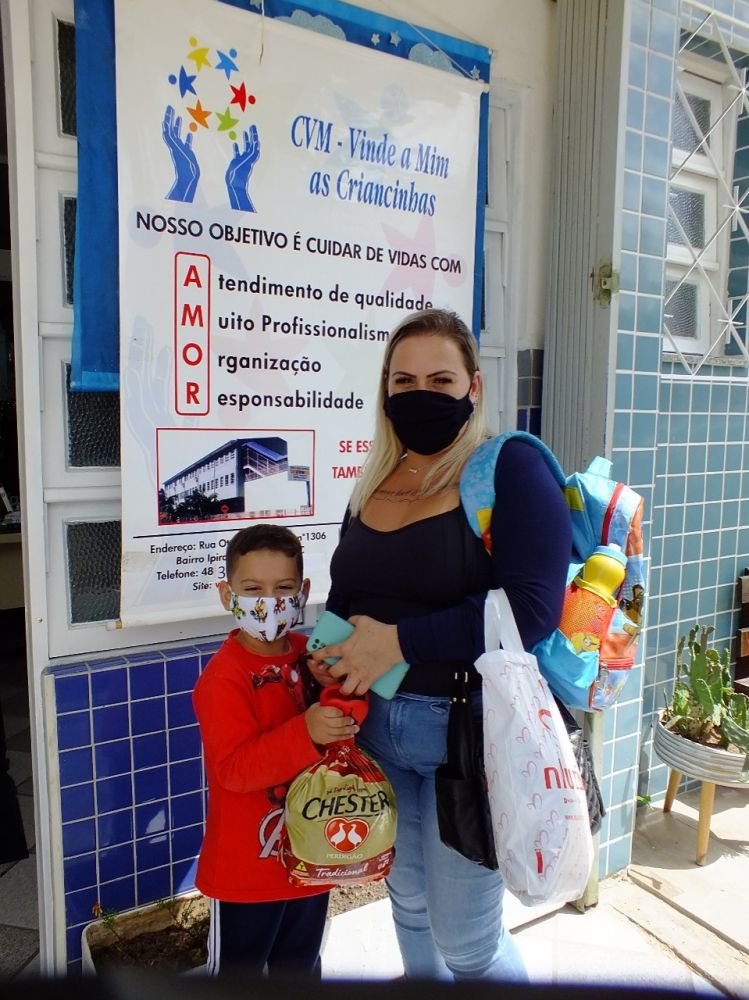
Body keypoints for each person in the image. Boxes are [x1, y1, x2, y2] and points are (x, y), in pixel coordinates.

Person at [308, 308, 572, 982]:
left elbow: (532, 610)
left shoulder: (509, 468)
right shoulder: (373, 481)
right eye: (404, 381)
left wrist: (398, 643)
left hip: (465, 735)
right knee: (409, 906)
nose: (420, 393)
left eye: (440, 379)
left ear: (473, 387)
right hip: (373, 730)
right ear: (385, 390)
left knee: (468, 942)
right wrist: (325, 656)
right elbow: (347, 596)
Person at [192, 523, 360, 978]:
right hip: (246, 871)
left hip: (313, 859)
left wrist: (337, 691)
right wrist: (307, 731)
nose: (269, 601)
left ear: (303, 592)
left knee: (300, 969)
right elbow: (233, 769)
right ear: (227, 595)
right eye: (253, 589)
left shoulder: (313, 653)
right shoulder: (223, 677)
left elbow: (359, 708)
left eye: (284, 588)